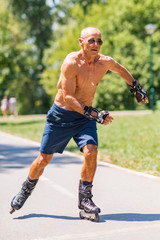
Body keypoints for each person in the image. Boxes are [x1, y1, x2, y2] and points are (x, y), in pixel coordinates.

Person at [10, 27, 148, 221]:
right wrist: (93, 113)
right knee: (43, 160)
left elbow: (119, 69)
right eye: (91, 41)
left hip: (84, 118)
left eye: (99, 41)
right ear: (81, 42)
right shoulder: (71, 62)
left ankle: (85, 199)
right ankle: (27, 187)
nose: (96, 45)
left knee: (91, 151)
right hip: (61, 116)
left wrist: (135, 87)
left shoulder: (104, 62)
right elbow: (67, 96)